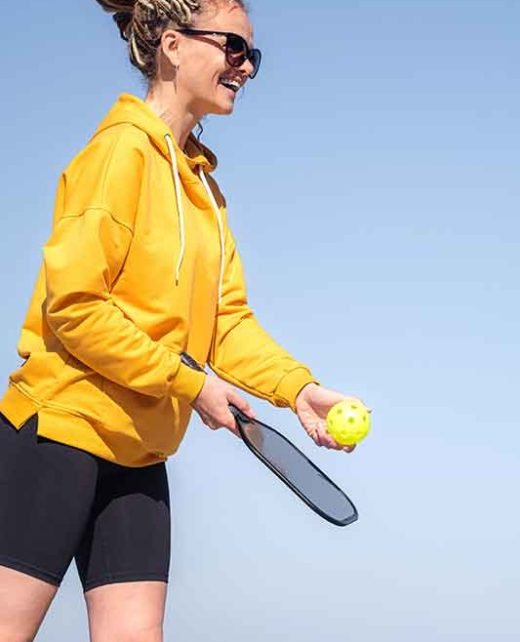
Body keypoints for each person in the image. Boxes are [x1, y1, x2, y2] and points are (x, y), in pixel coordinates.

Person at [0, 0, 360, 640]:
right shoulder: (119, 155)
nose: (245, 65)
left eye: (252, 54)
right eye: (233, 47)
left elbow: (225, 323)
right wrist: (193, 385)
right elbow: (76, 309)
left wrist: (298, 389)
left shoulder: (204, 192)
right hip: (59, 435)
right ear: (171, 45)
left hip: (139, 456)